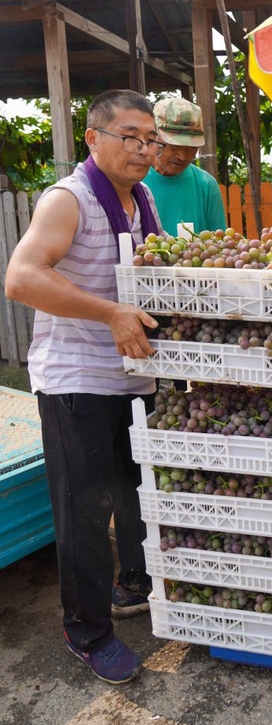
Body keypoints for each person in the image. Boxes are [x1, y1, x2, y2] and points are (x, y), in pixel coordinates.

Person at [5, 89, 164, 685]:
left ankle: (128, 586)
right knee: (85, 510)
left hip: (131, 377)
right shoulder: (69, 199)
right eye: (130, 136)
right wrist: (109, 314)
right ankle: (87, 633)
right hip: (77, 382)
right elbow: (20, 278)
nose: (144, 149)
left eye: (150, 138)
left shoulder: (140, 199)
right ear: (92, 139)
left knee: (133, 493)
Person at [142, 97, 226, 236]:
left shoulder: (206, 185)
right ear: (154, 137)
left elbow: (220, 246)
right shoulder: (133, 183)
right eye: (175, 145)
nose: (183, 156)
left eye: (192, 147)